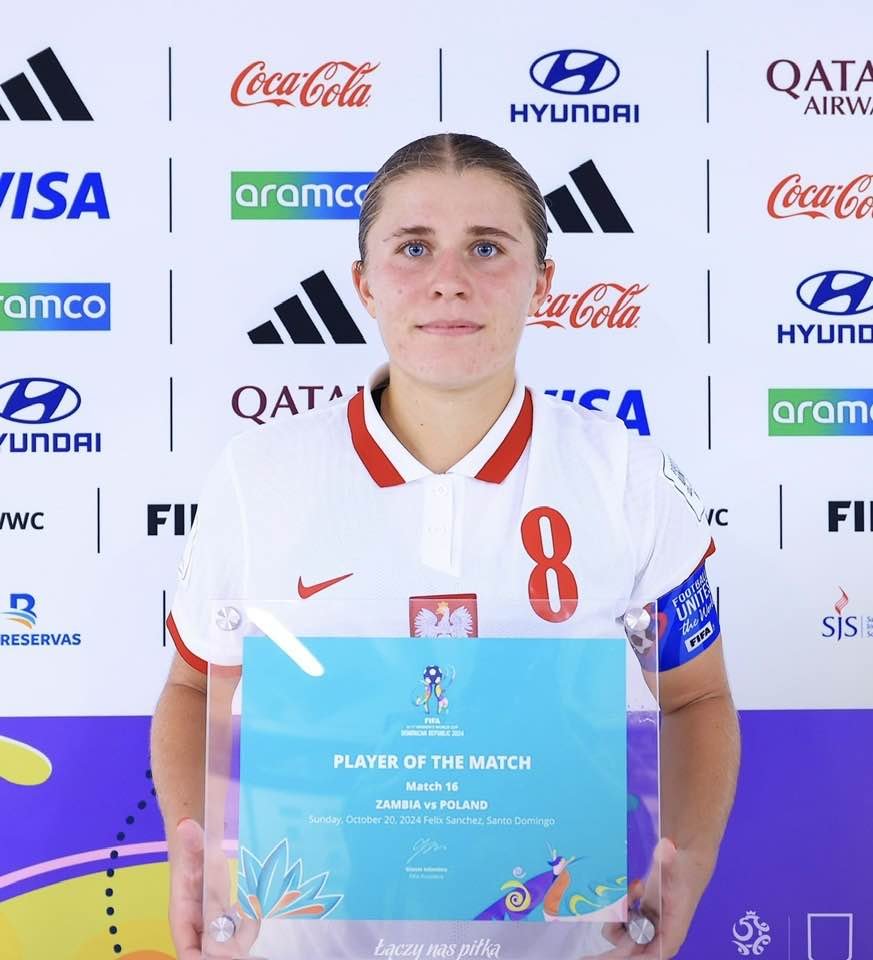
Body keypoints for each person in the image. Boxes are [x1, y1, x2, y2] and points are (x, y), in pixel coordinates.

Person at [151, 132, 740, 959]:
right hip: (307, 942)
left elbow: (694, 699)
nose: (449, 279)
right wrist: (197, 856)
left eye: (487, 248)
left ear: (542, 282)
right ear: (363, 282)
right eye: (414, 247)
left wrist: (690, 864)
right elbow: (192, 687)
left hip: (568, 943)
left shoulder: (625, 476)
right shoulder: (261, 474)